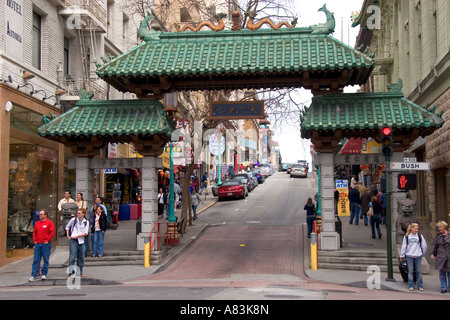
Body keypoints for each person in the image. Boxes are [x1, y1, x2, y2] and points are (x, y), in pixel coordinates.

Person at [400, 223, 427, 291]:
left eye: (417, 229)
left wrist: (422, 253)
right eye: (415, 228)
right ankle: (411, 285)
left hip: (418, 255)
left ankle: (420, 285)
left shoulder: (420, 236)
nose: (416, 230)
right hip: (409, 255)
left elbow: (424, 245)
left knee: (418, 271)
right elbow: (404, 246)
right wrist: (402, 255)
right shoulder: (407, 236)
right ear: (411, 228)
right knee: (410, 271)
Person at [29, 210, 55, 282]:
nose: (39, 215)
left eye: (41, 214)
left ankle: (44, 273)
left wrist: (48, 240)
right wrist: (35, 241)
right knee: (36, 260)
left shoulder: (49, 223)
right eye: (39, 214)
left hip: (45, 244)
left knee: (45, 259)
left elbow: (52, 232)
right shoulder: (37, 223)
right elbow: (35, 232)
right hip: (38, 244)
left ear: (45, 215)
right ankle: (34, 274)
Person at [65, 208, 89, 278]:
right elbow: (67, 227)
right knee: (72, 257)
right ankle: (71, 273)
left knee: (81, 257)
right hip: (73, 240)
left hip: (81, 240)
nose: (78, 214)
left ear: (83, 214)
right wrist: (68, 235)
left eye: (79, 213)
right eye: (77, 213)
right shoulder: (74, 220)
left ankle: (80, 272)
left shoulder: (86, 222)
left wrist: (78, 235)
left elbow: (86, 233)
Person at [430, 221, 450, 293]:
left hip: (449, 255)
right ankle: (443, 287)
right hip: (440, 255)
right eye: (438, 227)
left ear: (444, 227)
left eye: (440, 227)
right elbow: (434, 244)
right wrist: (432, 253)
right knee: (442, 272)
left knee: (449, 272)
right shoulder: (438, 235)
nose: (439, 229)